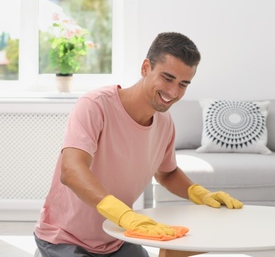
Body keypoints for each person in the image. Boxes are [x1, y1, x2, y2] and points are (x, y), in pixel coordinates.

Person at [34, 32, 243, 257]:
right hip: (65, 238)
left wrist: (200, 193)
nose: (173, 92)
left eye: (183, 84)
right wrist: (124, 215)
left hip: (116, 237)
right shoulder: (95, 106)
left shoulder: (164, 123)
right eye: (167, 78)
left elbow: (167, 173)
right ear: (145, 68)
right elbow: (71, 171)